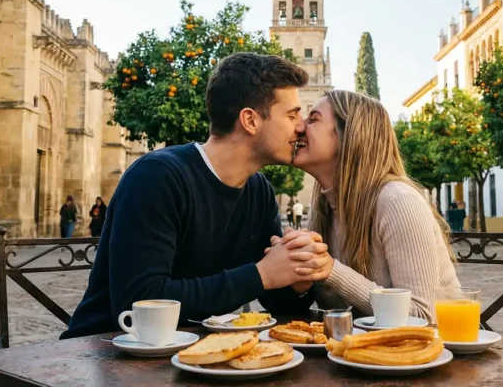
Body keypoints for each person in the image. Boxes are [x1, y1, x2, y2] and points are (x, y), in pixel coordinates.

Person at [61, 53, 334, 339]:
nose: (301, 126)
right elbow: (139, 303)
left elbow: (275, 301)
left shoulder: (259, 191)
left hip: (196, 354)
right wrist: (260, 274)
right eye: (292, 114)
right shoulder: (157, 177)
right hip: (104, 350)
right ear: (250, 120)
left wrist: (297, 278)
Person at [287, 90, 460, 322]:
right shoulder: (324, 207)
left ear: (349, 135)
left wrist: (331, 270)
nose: (299, 127)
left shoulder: (398, 201)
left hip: (436, 351)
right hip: (364, 353)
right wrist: (301, 276)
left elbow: (423, 317)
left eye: (313, 119)